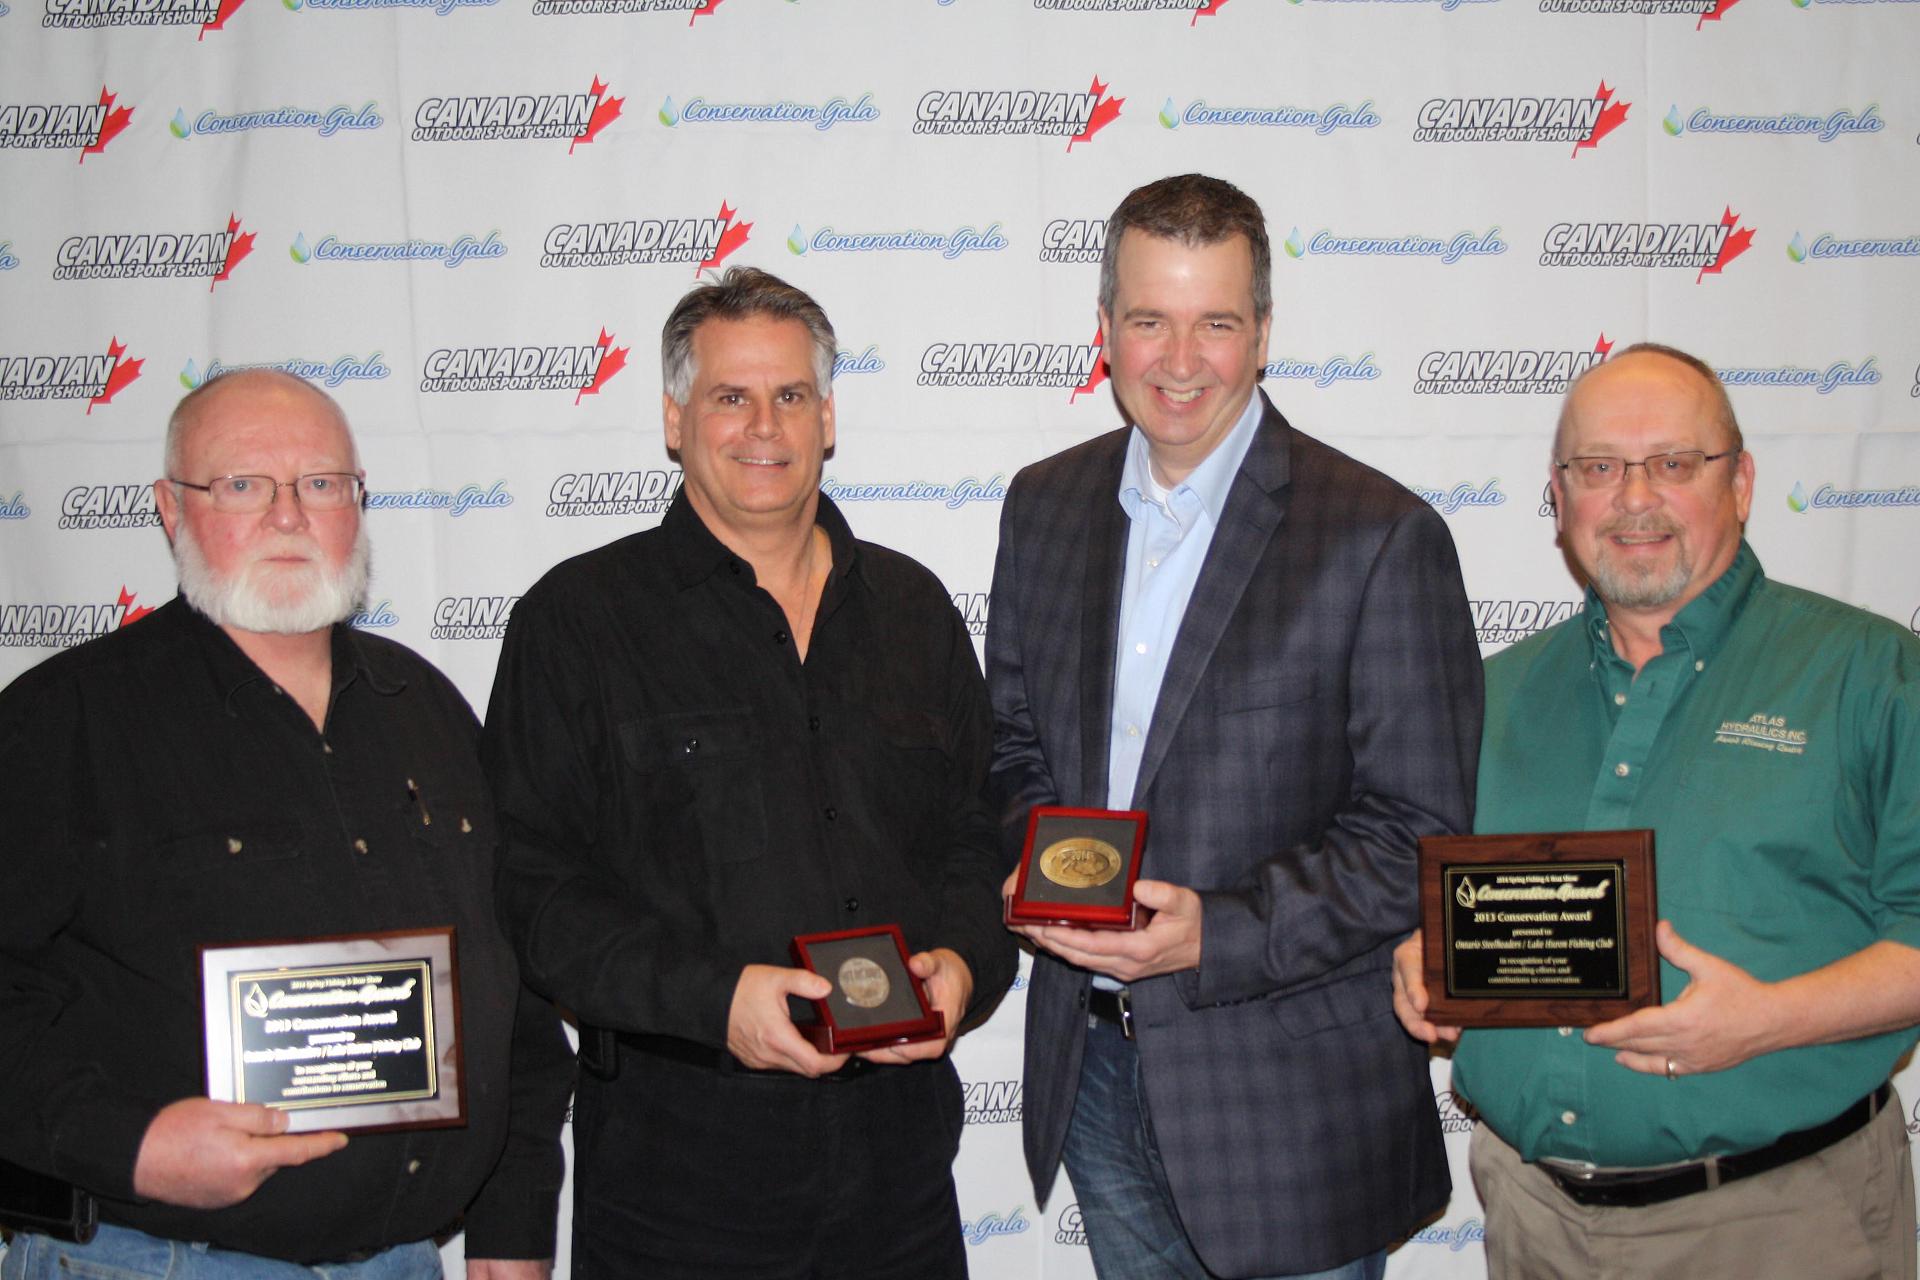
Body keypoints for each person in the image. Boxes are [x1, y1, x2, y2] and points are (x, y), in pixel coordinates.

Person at [987, 173, 1483, 1280]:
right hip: (1097, 1079)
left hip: (1287, 1109)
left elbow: (1416, 832)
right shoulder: (1044, 505)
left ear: (1263, 335)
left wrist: (1217, 927)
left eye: (1215, 322)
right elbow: (1012, 740)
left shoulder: (1379, 535)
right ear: (1105, 331)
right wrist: (1037, 860)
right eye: (1148, 319)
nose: (1178, 358)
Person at [482, 266, 1014, 1279]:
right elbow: (532, 892)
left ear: (828, 416)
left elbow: (971, 832)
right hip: (678, 1172)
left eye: (790, 395)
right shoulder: (577, 622)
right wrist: (716, 997)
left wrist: (962, 963)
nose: (763, 424)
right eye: (730, 396)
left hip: (900, 1164)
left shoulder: (911, 609)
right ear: (677, 419)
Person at [0, 370, 571, 1279]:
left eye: (321, 484)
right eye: (242, 485)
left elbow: (512, 993)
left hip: (404, 1262)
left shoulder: (424, 707)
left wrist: (510, 1214)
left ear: (358, 504)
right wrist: (130, 1143)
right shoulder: (61, 722)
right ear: (169, 509)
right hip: (156, 1260)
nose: (288, 515)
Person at [1391, 343, 1920, 1279]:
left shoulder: (1872, 675)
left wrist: (1768, 1019)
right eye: (1599, 468)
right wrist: (1424, 956)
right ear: (1558, 497)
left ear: (1742, 481)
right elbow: (1456, 908)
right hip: (1532, 1220)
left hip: (1779, 1226)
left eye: (1675, 464)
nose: (1635, 499)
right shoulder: (1493, 696)